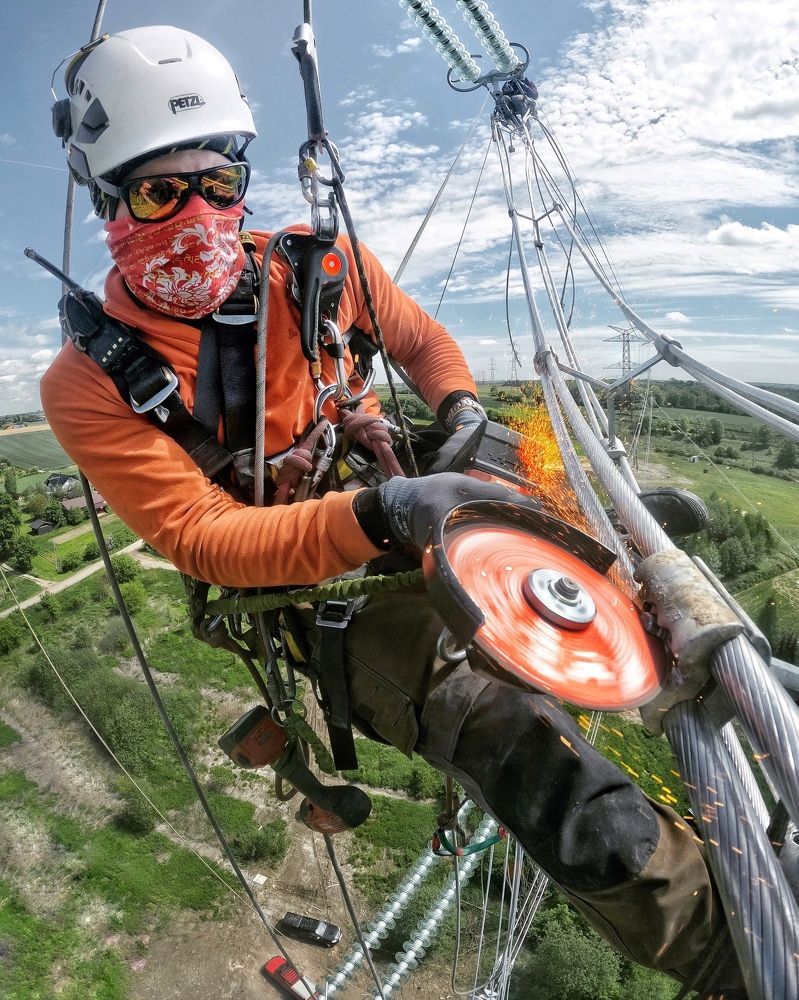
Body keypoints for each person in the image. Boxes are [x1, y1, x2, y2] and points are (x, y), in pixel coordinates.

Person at [41, 26, 745, 998]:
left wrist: (455, 414)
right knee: (499, 722)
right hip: (300, 580)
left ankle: (614, 557)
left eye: (218, 182)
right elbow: (202, 538)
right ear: (105, 195)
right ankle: (728, 942)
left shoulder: (311, 267)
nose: (197, 214)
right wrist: (387, 513)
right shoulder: (92, 381)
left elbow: (419, 340)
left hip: (374, 477)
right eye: (160, 192)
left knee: (512, 473)